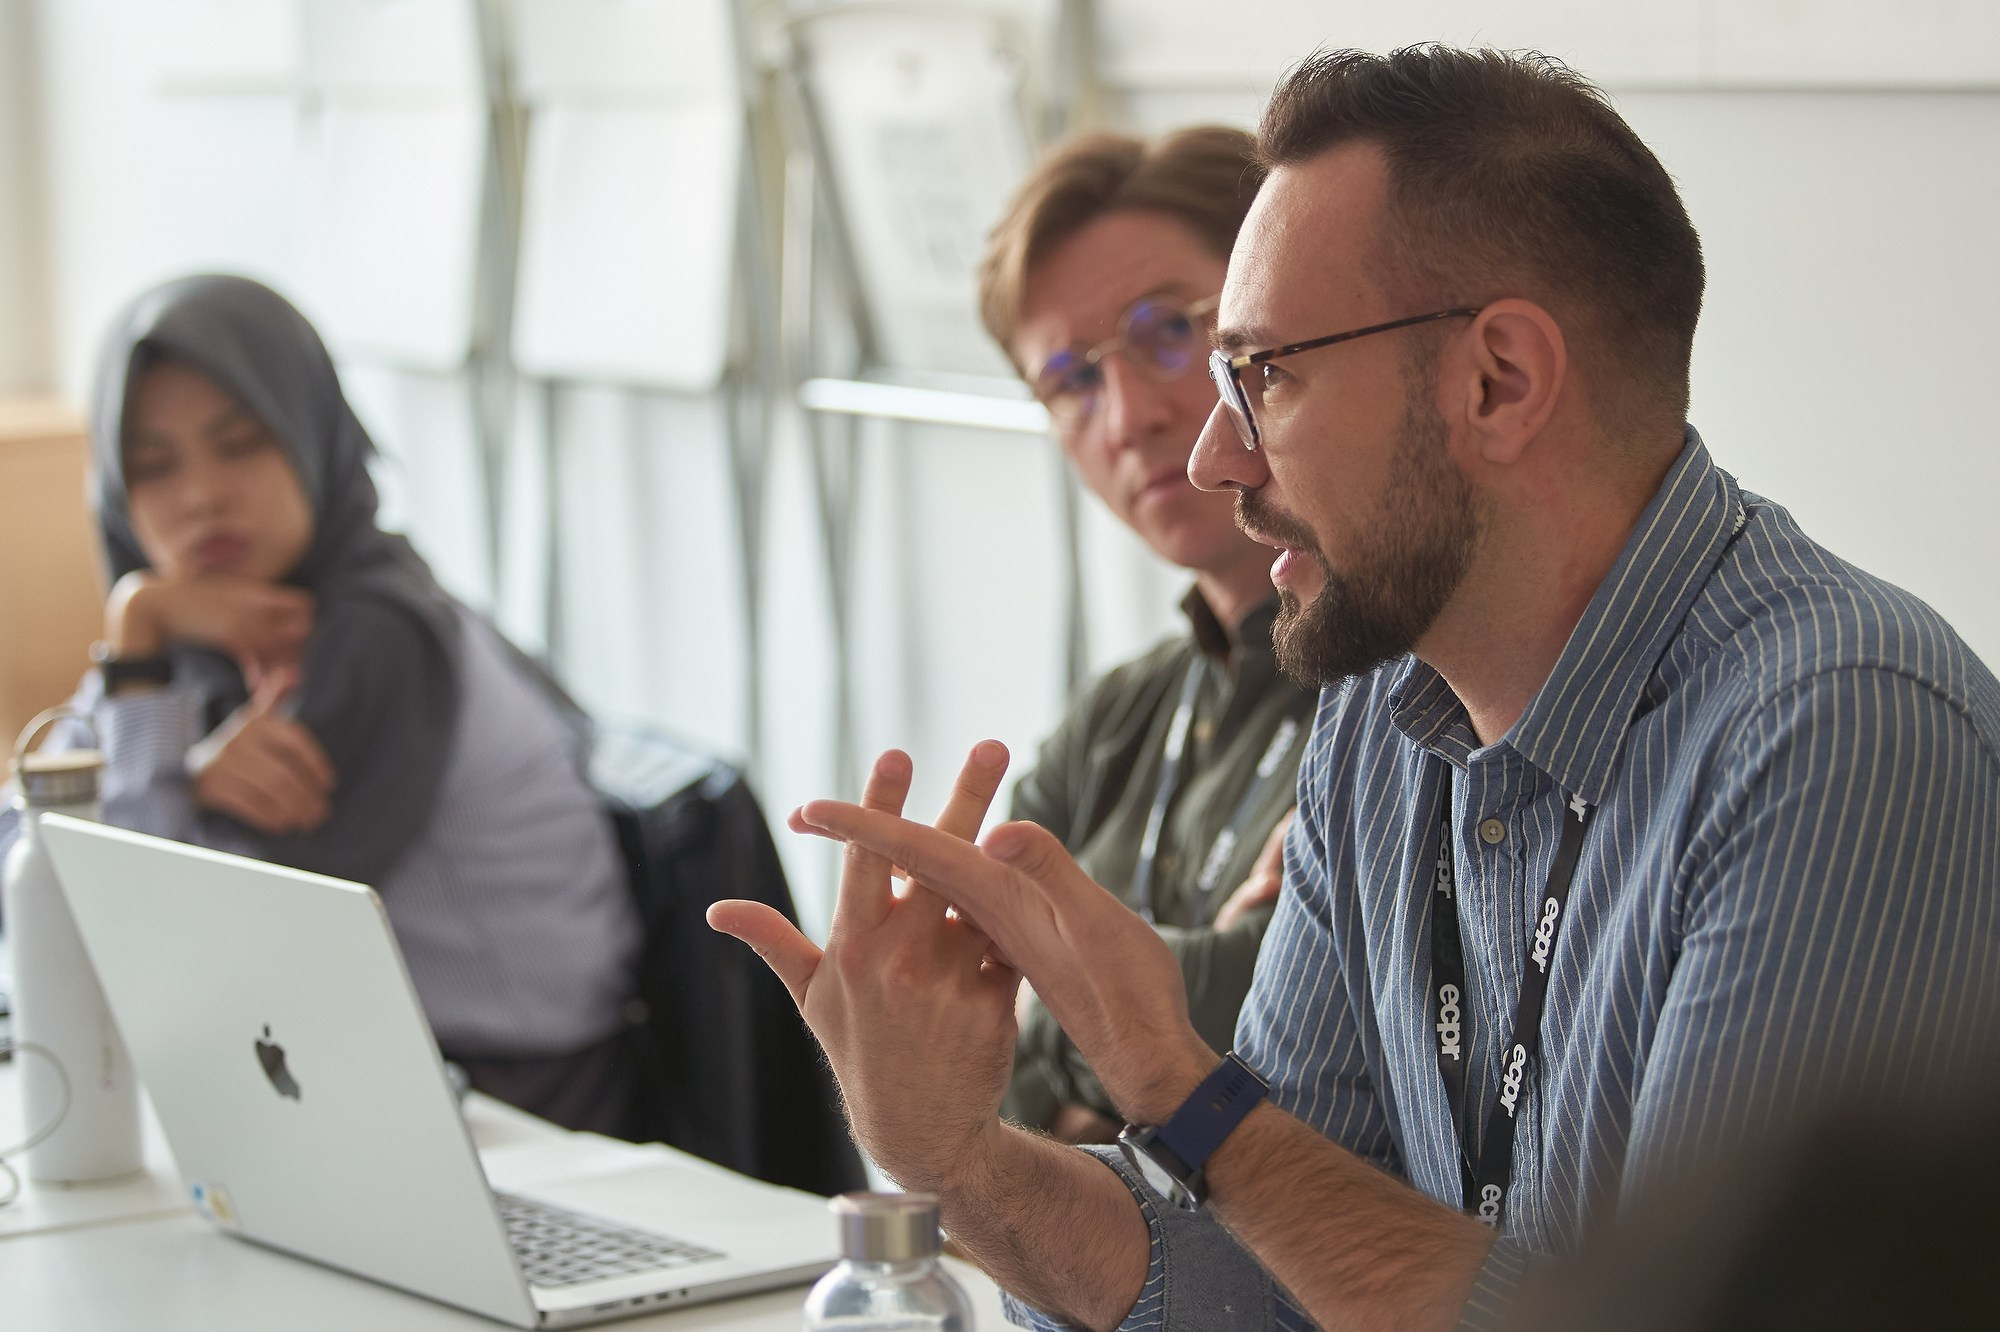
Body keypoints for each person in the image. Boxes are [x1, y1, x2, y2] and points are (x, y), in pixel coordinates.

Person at [712, 45, 2000, 1331]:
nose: (1213, 456)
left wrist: (1173, 1077)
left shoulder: (1839, 732)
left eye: (1263, 374)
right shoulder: (1382, 713)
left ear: (1498, 381)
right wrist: (954, 1161)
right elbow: (1256, 1269)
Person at [0, 275, 642, 1135]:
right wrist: (170, 730)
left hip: (516, 1101)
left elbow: (157, 948)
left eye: (241, 444)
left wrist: (140, 648)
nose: (202, 495)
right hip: (357, 1066)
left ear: (310, 435)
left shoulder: (373, 636)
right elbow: (30, 856)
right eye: (154, 466)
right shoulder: (203, 627)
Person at [979, 127, 1318, 1142]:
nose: (1126, 417)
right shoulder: (1115, 718)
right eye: (1071, 381)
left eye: (1169, 331)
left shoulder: (1419, 691)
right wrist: (1154, 1006)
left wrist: (1051, 1006)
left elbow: (1269, 1050)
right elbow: (962, 1063)